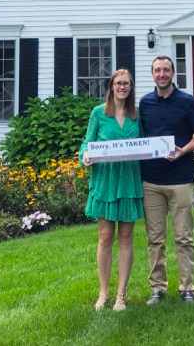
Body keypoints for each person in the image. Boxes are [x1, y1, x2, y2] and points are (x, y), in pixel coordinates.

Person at [138, 55, 194, 305]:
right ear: (152, 74)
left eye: (166, 70)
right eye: (157, 70)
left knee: (184, 237)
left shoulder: (187, 102)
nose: (162, 74)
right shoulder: (145, 103)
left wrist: (182, 150)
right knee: (155, 238)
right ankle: (157, 288)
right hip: (151, 181)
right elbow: (139, 138)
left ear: (173, 73)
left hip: (181, 179)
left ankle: (187, 287)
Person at [79, 69, 144, 311]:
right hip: (106, 181)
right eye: (118, 83)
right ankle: (103, 293)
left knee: (126, 237)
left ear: (131, 87)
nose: (122, 87)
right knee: (105, 237)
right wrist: (84, 155)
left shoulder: (137, 115)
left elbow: (147, 144)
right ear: (111, 86)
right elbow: (87, 142)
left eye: (126, 83)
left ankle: (121, 295)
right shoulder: (98, 113)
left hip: (128, 180)